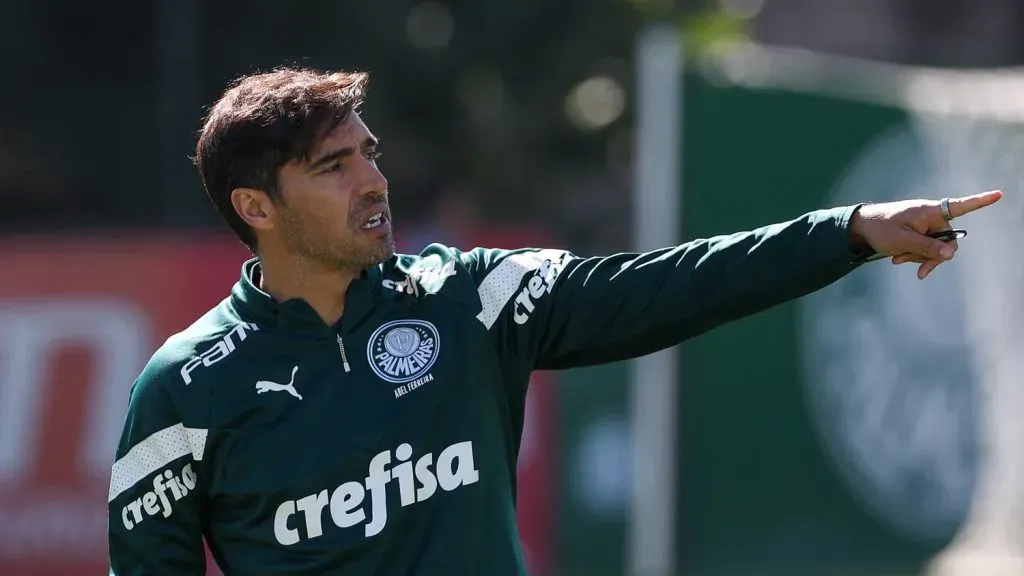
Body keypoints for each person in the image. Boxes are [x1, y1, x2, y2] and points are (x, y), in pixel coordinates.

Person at [105, 66, 1002, 576]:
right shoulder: (185, 390)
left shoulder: (468, 298)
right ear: (257, 206)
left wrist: (841, 233)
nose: (373, 181)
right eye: (334, 166)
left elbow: (665, 285)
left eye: (368, 154)